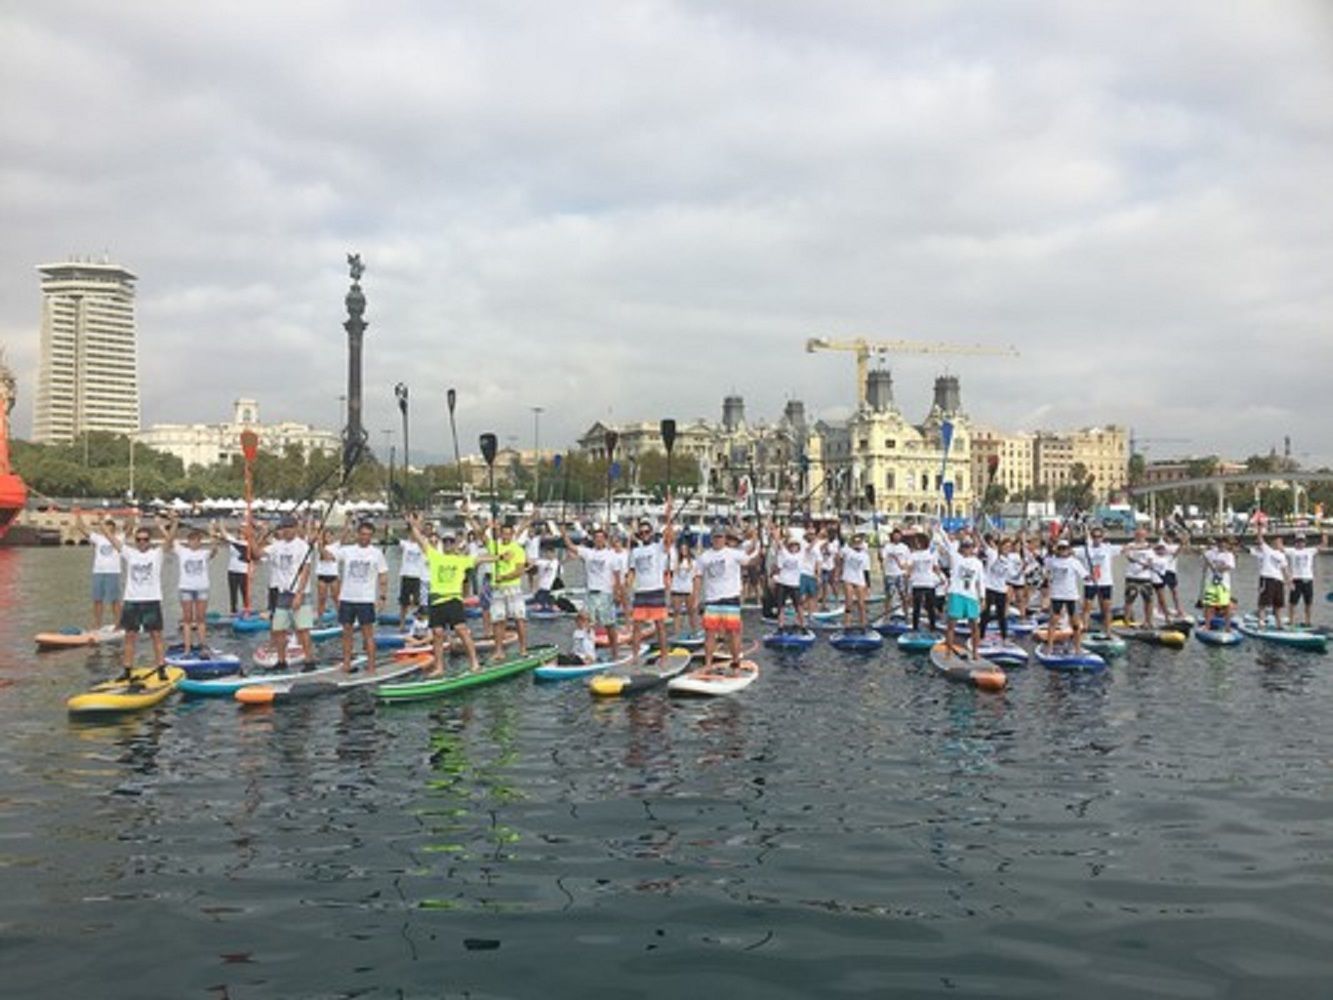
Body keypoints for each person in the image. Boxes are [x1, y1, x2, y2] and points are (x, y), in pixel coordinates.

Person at [405, 513, 489, 676]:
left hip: (453, 600)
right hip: (436, 601)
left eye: (451, 541)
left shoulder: (461, 559)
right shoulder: (435, 556)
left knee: (461, 630)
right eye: (445, 542)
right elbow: (421, 540)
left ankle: (474, 663)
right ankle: (439, 667)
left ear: (455, 544)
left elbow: (481, 558)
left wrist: (500, 557)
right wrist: (413, 526)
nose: (448, 544)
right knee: (437, 634)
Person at [112, 512, 178, 680]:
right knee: (129, 637)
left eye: (145, 539)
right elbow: (114, 542)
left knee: (156, 635)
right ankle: (127, 670)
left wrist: (175, 522)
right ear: (135, 541)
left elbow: (169, 540)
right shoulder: (129, 553)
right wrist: (102, 525)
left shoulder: (156, 554)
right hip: (132, 601)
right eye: (139, 539)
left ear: (150, 541)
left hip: (151, 600)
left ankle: (161, 668)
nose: (142, 542)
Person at [693, 523, 764, 668]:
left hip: (730, 598)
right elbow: (698, 577)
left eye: (720, 537)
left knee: (733, 632)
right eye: (715, 537)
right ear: (711, 539)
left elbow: (750, 562)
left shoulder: (734, 553)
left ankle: (736, 661)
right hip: (712, 599)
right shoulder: (704, 557)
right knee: (710, 633)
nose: (718, 539)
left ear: (725, 538)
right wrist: (696, 598)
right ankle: (708, 663)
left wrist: (760, 555)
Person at [253, 515, 315, 669]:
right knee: (278, 629)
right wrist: (254, 538)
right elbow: (257, 554)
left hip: (299, 593)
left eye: (289, 527)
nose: (286, 531)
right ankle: (281, 661)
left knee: (303, 629)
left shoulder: (303, 546)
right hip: (282, 593)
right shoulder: (277, 546)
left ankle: (309, 660)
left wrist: (299, 594)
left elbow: (306, 571)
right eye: (283, 528)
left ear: (295, 528)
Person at [328, 520, 389, 673]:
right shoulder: (347, 550)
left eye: (368, 535)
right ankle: (347, 663)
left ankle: (371, 666)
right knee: (346, 633)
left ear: (372, 536)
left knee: (367, 634)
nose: (365, 538)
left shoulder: (377, 553)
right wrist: (317, 540)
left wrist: (382, 597)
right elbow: (328, 555)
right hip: (347, 598)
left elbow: (383, 576)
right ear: (357, 534)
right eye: (362, 534)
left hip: (366, 599)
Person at [560, 523, 624, 660]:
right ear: (594, 540)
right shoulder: (588, 552)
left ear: (605, 540)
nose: (599, 540)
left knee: (609, 626)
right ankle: (586, 652)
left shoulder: (612, 555)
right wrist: (564, 533)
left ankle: (615, 653)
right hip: (591, 593)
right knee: (583, 621)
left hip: (605, 593)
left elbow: (617, 577)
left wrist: (618, 593)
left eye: (601, 538)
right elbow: (571, 546)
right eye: (596, 538)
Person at [626, 512, 674, 665]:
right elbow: (632, 571)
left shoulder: (658, 547)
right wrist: (628, 587)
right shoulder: (635, 551)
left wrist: (668, 516)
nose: (645, 534)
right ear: (639, 535)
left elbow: (668, 537)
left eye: (647, 532)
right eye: (642, 532)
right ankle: (635, 656)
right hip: (640, 591)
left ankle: (664, 656)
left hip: (656, 589)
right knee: (637, 626)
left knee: (660, 625)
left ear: (652, 533)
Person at [72, 509, 123, 630]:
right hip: (98, 572)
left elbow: (130, 528)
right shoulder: (97, 538)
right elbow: (80, 527)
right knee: (97, 600)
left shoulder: (120, 537)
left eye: (110, 528)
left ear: (113, 530)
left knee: (114, 600)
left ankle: (118, 623)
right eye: (105, 527)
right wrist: (78, 514)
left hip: (113, 572)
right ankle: (97, 624)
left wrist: (132, 512)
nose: (106, 530)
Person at [486, 520, 528, 662]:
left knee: (519, 618)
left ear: (512, 535)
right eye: (503, 533)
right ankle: (499, 651)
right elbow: (481, 535)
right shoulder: (495, 546)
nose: (506, 536)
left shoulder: (518, 549)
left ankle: (523, 648)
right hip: (497, 588)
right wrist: (474, 519)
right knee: (498, 620)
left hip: (513, 588)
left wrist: (503, 577)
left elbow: (520, 571)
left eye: (508, 534)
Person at [174, 524, 219, 653]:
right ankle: (187, 647)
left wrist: (213, 536)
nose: (194, 543)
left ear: (200, 542)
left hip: (201, 589)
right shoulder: (182, 551)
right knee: (187, 619)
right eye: (192, 540)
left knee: (201, 618)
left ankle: (203, 646)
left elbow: (214, 551)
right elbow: (171, 539)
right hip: (186, 588)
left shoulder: (204, 553)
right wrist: (169, 525)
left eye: (197, 540)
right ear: (188, 542)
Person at [943, 533, 985, 659]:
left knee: (974, 626)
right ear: (961, 548)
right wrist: (941, 531)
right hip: (956, 593)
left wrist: (983, 598)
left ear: (973, 548)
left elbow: (980, 581)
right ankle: (948, 652)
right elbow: (948, 545)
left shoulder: (978, 563)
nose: (967, 549)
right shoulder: (957, 559)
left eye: (970, 547)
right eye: (965, 547)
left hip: (971, 596)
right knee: (951, 624)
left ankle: (975, 652)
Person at [1044, 537, 1088, 654]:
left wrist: (1092, 577)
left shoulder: (1074, 562)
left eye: (1065, 548)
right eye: (1061, 548)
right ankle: (1049, 647)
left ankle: (1078, 648)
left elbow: (1084, 575)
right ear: (1057, 549)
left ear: (1069, 550)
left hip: (1071, 596)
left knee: (1075, 624)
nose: (1063, 550)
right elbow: (1046, 554)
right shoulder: (1051, 561)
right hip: (1057, 595)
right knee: (1053, 621)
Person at [1077, 525, 1119, 637]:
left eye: (1099, 536)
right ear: (1091, 537)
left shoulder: (1108, 548)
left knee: (1106, 608)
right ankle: (1085, 629)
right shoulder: (1085, 549)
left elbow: (1127, 548)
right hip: (1090, 583)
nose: (1097, 539)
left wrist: (1144, 546)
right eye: (1094, 537)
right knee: (1087, 607)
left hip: (1105, 582)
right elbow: (1066, 552)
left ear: (1102, 537)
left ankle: (1108, 631)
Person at [979, 535, 1019, 641]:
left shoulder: (1010, 560)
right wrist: (977, 532)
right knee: (986, 613)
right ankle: (980, 635)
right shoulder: (993, 553)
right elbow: (983, 543)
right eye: (1005, 546)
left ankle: (1004, 637)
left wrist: (1022, 569)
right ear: (1001, 547)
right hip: (989, 587)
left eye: (1009, 547)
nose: (1007, 549)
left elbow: (1013, 575)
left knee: (1001, 614)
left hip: (1001, 589)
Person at [768, 527, 807, 631]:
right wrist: (776, 536)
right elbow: (780, 546)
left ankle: (803, 626)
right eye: (792, 546)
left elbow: (804, 542)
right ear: (789, 547)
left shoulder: (801, 555)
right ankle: (780, 626)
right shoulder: (784, 554)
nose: (794, 548)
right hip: (783, 583)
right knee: (781, 606)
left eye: (795, 546)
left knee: (798, 606)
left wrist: (787, 534)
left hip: (794, 585)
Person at [906, 531, 944, 633]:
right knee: (916, 608)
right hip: (916, 583)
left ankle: (932, 628)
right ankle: (915, 628)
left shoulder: (931, 554)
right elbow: (909, 569)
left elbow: (936, 568)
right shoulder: (913, 555)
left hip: (929, 583)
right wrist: (907, 575)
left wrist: (942, 578)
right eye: (916, 542)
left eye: (918, 541)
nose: (917, 543)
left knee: (930, 607)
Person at [1252, 526, 1289, 625]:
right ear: (1273, 543)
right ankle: (1261, 621)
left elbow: (1285, 569)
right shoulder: (1267, 550)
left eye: (1281, 542)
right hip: (1267, 578)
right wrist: (1259, 528)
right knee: (1263, 602)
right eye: (1277, 542)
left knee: (1278, 604)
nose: (1279, 544)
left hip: (1279, 581)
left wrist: (1289, 582)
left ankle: (1279, 623)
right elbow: (1260, 539)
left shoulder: (1282, 555)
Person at [1121, 527, 1156, 626]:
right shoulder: (1130, 545)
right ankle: (1127, 621)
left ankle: (1148, 621)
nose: (1140, 537)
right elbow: (1129, 557)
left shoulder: (1149, 547)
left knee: (1148, 600)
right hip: (1132, 576)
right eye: (1138, 535)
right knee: (1129, 599)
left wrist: (1148, 564)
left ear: (1145, 536)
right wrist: (1131, 557)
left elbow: (1151, 560)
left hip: (1145, 578)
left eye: (1142, 535)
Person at [838, 532, 872, 630]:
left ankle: (863, 623)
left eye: (859, 542)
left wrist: (868, 585)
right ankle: (847, 624)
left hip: (859, 579)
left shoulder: (865, 555)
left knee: (861, 603)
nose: (857, 544)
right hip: (848, 578)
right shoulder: (847, 550)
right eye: (855, 542)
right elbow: (840, 554)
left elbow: (866, 570)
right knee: (849, 602)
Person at [1201, 537, 1236, 631]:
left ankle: (1227, 627)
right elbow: (1204, 557)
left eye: (1224, 544)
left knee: (1226, 605)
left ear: (1227, 545)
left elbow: (1230, 567)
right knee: (1209, 604)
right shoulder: (1210, 553)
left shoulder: (1229, 555)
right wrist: (1203, 550)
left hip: (1223, 584)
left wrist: (1219, 568)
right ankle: (1207, 625)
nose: (1222, 545)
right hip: (1211, 583)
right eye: (1220, 543)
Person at [396, 526, 427, 627]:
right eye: (411, 534)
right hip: (406, 575)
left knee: (417, 602)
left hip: (417, 576)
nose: (413, 536)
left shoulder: (422, 545)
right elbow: (395, 539)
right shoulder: (405, 544)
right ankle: (402, 624)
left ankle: (419, 624)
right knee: (404, 603)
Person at [669, 538, 700, 637]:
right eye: (681, 549)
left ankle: (695, 632)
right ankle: (677, 633)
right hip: (676, 589)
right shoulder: (674, 560)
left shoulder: (693, 562)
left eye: (685, 549)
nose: (683, 551)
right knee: (677, 612)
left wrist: (696, 593)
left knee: (692, 612)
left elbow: (696, 579)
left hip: (688, 590)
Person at [1286, 533, 1316, 628]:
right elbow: (1280, 548)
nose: (1300, 543)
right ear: (1295, 542)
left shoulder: (1310, 550)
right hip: (1296, 580)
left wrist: (1325, 534)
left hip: (1308, 580)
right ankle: (1291, 621)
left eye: (1302, 541)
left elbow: (1323, 544)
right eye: (1298, 541)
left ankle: (1308, 622)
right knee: (1292, 603)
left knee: (1308, 603)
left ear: (1305, 542)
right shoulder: (1291, 551)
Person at [880, 527, 910, 618]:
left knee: (903, 595)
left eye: (898, 535)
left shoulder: (904, 547)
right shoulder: (887, 547)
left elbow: (908, 561)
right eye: (895, 536)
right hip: (889, 574)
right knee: (889, 596)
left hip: (901, 574)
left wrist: (907, 572)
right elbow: (882, 558)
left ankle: (906, 615)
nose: (896, 537)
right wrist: (880, 556)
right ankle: (886, 616)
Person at [315, 528, 341, 617]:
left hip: (333, 576)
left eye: (330, 536)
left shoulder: (336, 545)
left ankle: (341, 617)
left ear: (333, 537)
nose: (328, 538)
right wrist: (319, 540)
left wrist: (348, 520)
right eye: (326, 536)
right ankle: (320, 619)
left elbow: (345, 533)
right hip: (322, 576)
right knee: (322, 599)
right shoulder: (320, 546)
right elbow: (323, 554)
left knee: (336, 598)